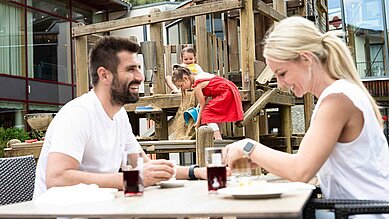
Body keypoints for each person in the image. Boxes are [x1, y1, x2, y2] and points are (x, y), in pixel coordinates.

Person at [223, 16, 389, 216]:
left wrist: (248, 146)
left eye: (282, 73)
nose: (281, 84)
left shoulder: (336, 101)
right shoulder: (343, 93)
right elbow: (309, 165)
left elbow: (300, 171)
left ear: (306, 59)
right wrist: (265, 160)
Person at [33, 36, 206, 199]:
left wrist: (195, 172)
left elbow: (145, 167)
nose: (140, 77)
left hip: (101, 209)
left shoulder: (119, 115)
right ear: (104, 75)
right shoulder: (78, 114)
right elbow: (56, 178)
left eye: (138, 68)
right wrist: (130, 180)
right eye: (131, 69)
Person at [172, 65, 243, 140]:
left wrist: (198, 122)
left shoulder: (197, 85)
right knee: (215, 115)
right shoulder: (199, 76)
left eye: (181, 85)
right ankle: (218, 136)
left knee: (207, 115)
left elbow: (203, 105)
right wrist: (198, 106)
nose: (182, 88)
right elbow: (206, 93)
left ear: (185, 78)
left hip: (225, 92)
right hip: (228, 89)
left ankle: (218, 139)